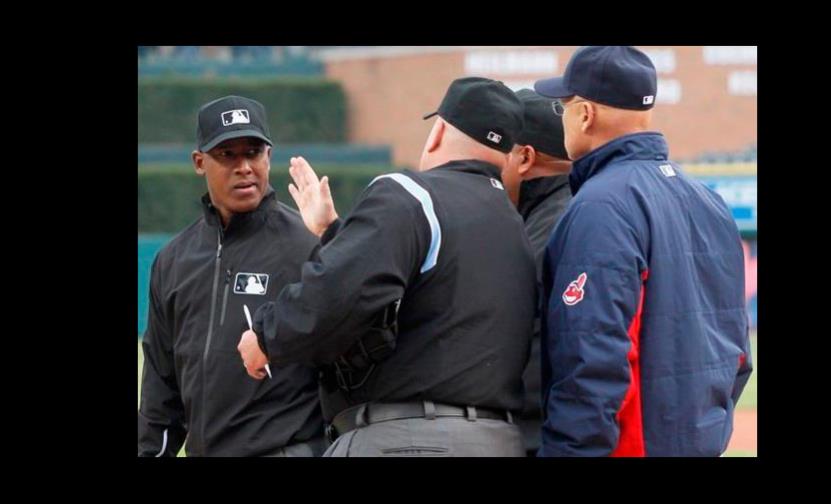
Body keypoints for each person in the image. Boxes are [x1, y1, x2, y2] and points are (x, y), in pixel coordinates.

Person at [237, 77, 537, 457]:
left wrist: (265, 337)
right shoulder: (515, 225)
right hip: (500, 440)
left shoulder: (411, 194)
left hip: (411, 439)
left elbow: (340, 292)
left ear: (438, 131)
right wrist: (332, 234)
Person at [533, 46, 752, 456]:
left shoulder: (601, 205)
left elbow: (591, 359)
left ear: (585, 113)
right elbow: (737, 352)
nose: (562, 117)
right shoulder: (709, 201)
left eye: (563, 106)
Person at [138, 95, 325, 457]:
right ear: (199, 162)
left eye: (253, 152)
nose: (244, 167)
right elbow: (161, 392)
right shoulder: (174, 260)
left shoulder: (308, 245)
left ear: (268, 156)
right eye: (227, 154)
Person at [500, 88, 572, 457]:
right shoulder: (561, 211)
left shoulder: (553, 225)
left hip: (541, 437)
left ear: (525, 157)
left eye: (500, 151)